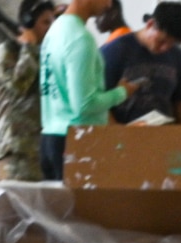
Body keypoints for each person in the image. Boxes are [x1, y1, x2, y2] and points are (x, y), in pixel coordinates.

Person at [43, 0, 138, 175]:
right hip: (77, 143)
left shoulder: (55, 31)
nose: (109, 5)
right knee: (82, 203)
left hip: (51, 137)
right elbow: (84, 105)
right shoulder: (79, 39)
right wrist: (122, 92)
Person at [0, 0, 55, 177]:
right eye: (45, 22)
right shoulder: (7, 51)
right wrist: (28, 47)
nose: (51, 27)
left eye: (52, 22)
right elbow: (19, 85)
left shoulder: (42, 51)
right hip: (18, 150)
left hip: (40, 144)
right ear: (28, 23)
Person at [103, 2, 181, 121]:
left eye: (172, 44)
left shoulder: (176, 56)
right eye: (162, 41)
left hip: (163, 133)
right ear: (150, 24)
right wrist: (118, 133)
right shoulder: (115, 52)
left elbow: (178, 103)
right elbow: (99, 106)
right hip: (122, 134)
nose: (165, 48)